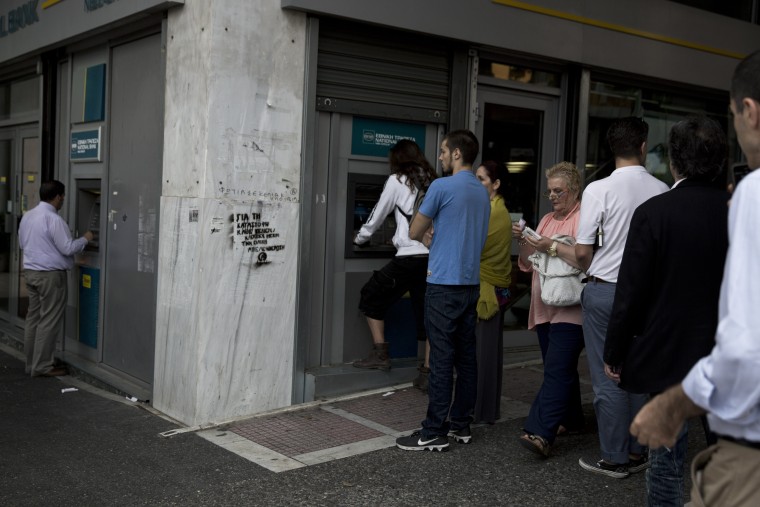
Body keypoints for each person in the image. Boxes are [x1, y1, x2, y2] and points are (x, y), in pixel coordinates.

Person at [630, 49, 760, 507]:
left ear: (750, 111)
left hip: (687, 360)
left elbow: (746, 352)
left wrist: (671, 404)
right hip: (710, 356)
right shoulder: (726, 203)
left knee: (668, 460)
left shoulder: (750, 195)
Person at [604, 115, 729, 505]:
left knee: (666, 459)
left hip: (669, 349)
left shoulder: (655, 213)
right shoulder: (741, 213)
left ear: (673, 161)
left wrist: (616, 351)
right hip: (729, 353)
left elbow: (631, 293)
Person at [575, 117, 669, 478]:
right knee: (636, 370)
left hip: (606, 289)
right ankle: (637, 449)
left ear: (611, 149)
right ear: (643, 146)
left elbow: (583, 252)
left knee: (606, 375)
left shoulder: (598, 189)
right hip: (647, 295)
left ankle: (613, 456)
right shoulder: (662, 190)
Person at [395, 129, 490, 451]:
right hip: (470, 284)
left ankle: (433, 429)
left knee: (441, 360)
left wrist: (424, 237)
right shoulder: (481, 192)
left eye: (444, 151)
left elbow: (414, 229)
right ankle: (460, 425)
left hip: (442, 283)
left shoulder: (441, 186)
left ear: (458, 154)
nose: (440, 156)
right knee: (466, 359)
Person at [513, 162, 586, 457]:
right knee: (559, 367)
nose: (553, 196)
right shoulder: (545, 219)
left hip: (572, 307)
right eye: (550, 191)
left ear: (574, 190)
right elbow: (527, 264)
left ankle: (540, 432)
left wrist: (549, 246)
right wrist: (526, 242)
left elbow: (585, 260)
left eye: (559, 191)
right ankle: (572, 418)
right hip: (544, 306)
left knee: (557, 369)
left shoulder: (583, 219)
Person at [352, 140, 436, 377]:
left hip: (409, 257)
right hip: (431, 258)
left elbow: (378, 213)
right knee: (428, 314)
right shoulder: (433, 180)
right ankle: (429, 372)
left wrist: (360, 238)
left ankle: (380, 354)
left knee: (370, 295)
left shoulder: (397, 180)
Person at [20, 180, 93, 377]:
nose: (63, 200)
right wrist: (86, 238)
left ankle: (31, 364)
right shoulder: (54, 219)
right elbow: (68, 247)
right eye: (63, 196)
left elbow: (24, 243)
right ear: (58, 196)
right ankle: (43, 366)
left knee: (33, 319)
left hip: (31, 273)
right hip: (50, 277)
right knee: (49, 321)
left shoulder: (28, 217)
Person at [473, 160, 512, 424]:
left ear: (495, 184)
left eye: (482, 180)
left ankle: (481, 411)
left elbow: (475, 247)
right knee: (486, 353)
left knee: (483, 355)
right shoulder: (489, 208)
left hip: (487, 290)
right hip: (488, 287)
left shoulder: (495, 212)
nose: (476, 185)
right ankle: (485, 410)